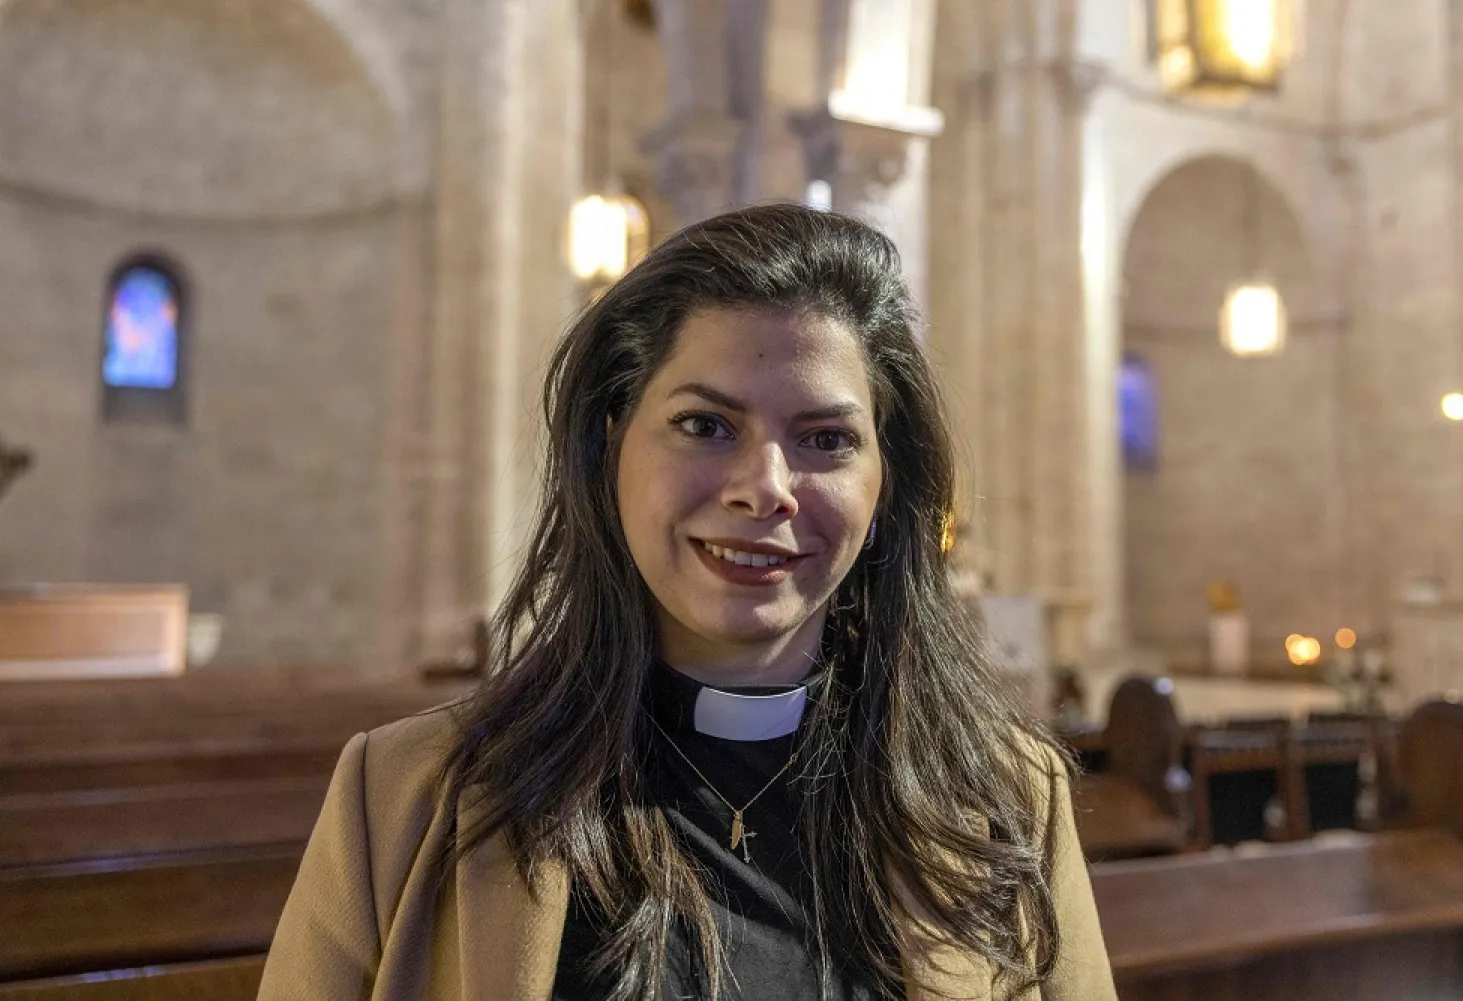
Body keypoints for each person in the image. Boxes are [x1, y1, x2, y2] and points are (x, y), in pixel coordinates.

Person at [257, 204, 1115, 1001]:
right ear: (610, 446)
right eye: (706, 425)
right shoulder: (405, 797)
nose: (765, 488)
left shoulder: (1008, 797)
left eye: (825, 439)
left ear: (885, 485)